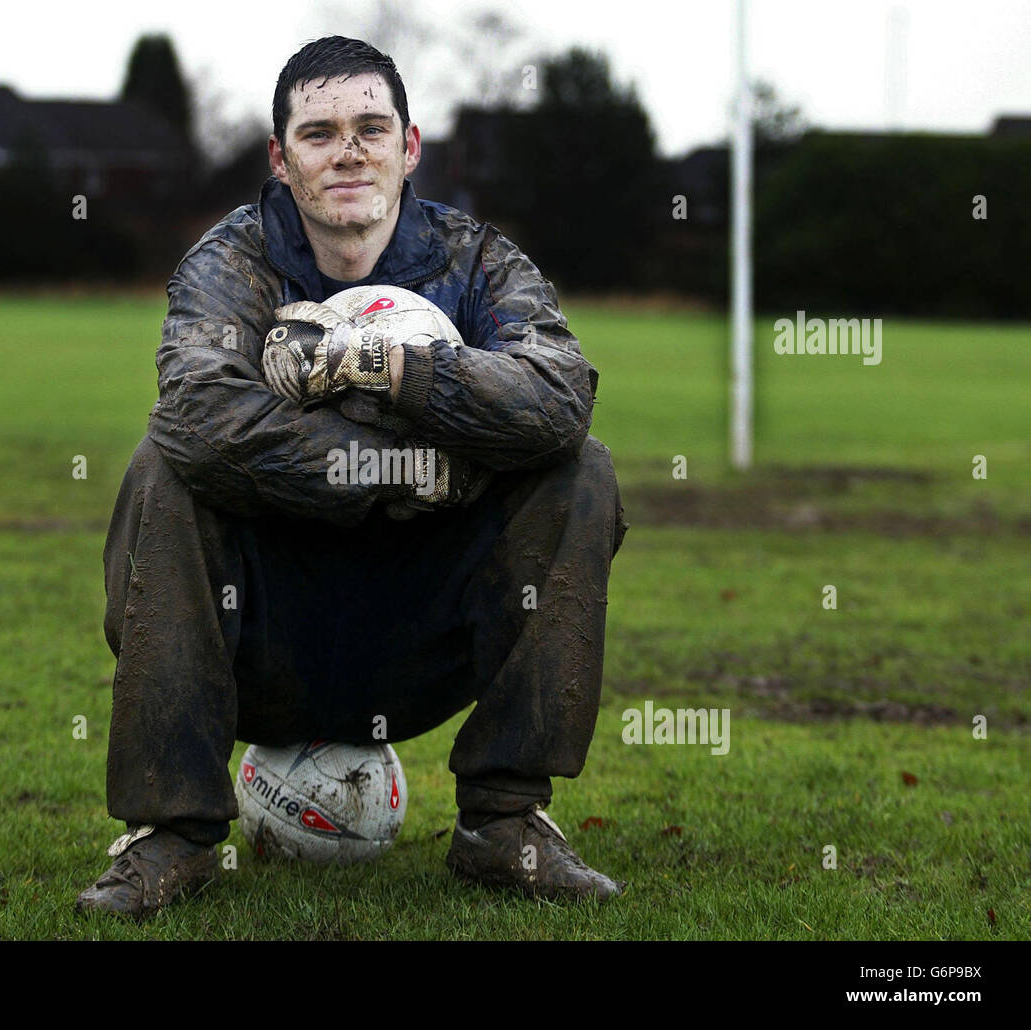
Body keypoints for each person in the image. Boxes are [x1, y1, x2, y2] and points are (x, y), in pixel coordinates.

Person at [75, 35, 629, 919]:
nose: (349, 151)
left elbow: (559, 397)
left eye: (372, 128)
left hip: (425, 630)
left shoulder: (475, 262)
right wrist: (403, 469)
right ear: (281, 157)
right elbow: (199, 419)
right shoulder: (232, 265)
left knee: (580, 473)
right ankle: (170, 834)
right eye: (320, 132)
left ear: (410, 147)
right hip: (263, 633)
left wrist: (390, 367)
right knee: (161, 467)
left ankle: (504, 821)